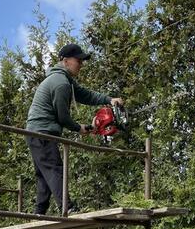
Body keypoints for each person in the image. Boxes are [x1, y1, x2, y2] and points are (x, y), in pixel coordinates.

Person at [26, 43, 123, 215]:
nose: (81, 64)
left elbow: (86, 95)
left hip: (37, 131)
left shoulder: (65, 80)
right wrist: (80, 128)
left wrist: (109, 99)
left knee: (44, 172)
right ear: (65, 60)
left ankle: (39, 212)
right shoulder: (60, 83)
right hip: (42, 131)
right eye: (78, 60)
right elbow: (62, 117)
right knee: (54, 169)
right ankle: (68, 207)